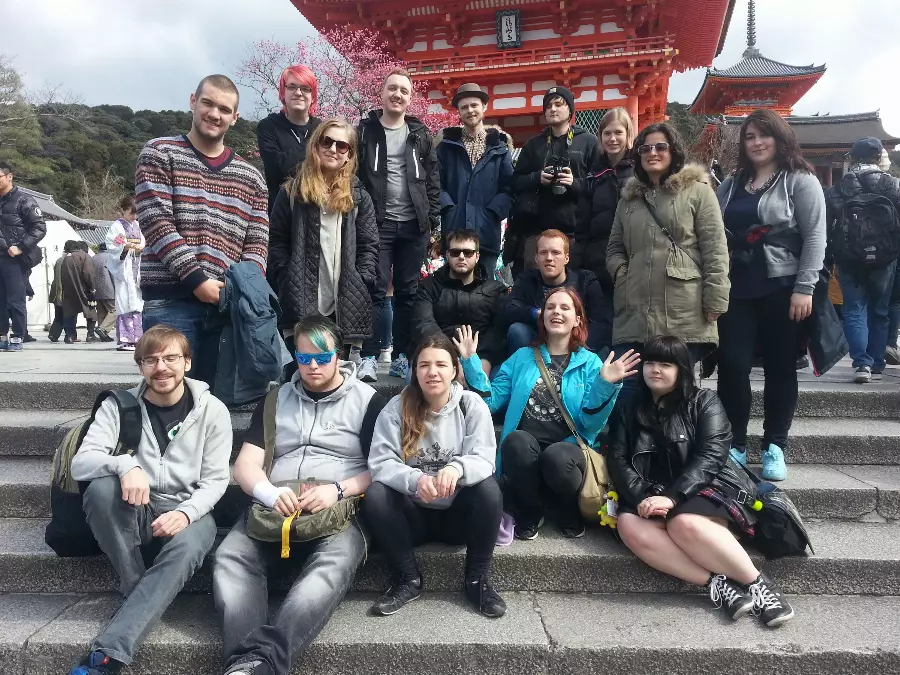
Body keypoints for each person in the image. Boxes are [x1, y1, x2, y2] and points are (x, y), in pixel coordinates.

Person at [213, 315, 385, 675]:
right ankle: (247, 664)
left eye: (322, 358)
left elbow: (384, 467)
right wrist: (268, 493)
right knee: (230, 556)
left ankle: (264, 662)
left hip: (338, 508)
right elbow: (245, 465)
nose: (312, 366)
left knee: (333, 564)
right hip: (276, 504)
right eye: (304, 358)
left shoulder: (368, 401)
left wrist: (338, 490)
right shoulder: (276, 399)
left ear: (339, 356)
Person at [67, 325, 232, 675]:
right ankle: (136, 585)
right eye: (151, 360)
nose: (161, 368)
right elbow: (81, 463)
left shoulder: (213, 410)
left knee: (190, 546)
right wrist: (125, 465)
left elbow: (216, 481)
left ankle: (107, 655)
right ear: (140, 365)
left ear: (187, 362)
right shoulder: (119, 406)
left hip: (189, 509)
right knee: (101, 488)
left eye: (171, 358)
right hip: (134, 507)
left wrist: (186, 513)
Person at [607, 335, 795, 628]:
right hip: (652, 491)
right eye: (650, 362)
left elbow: (711, 456)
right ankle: (717, 584)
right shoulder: (628, 408)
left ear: (681, 369)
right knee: (628, 524)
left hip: (704, 487)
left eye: (665, 364)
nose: (655, 369)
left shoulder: (704, 401)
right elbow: (617, 459)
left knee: (682, 522)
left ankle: (759, 585)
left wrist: (673, 496)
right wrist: (643, 495)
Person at [459, 286, 640, 540]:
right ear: (542, 316)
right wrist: (471, 362)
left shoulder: (590, 363)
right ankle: (531, 510)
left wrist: (605, 385)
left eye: (565, 308)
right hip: (528, 449)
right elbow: (490, 403)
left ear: (577, 319)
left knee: (557, 457)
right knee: (515, 442)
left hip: (569, 450)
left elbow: (591, 425)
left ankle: (567, 508)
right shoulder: (522, 357)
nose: (556, 312)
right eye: (550, 307)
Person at [136, 74, 269, 387]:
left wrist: (240, 291)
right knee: (167, 395)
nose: (214, 114)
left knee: (217, 402)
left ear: (235, 118)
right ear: (193, 102)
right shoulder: (159, 153)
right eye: (208, 103)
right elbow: (157, 223)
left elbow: (257, 243)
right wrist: (197, 280)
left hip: (226, 307)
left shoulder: (251, 177)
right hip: (170, 300)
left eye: (224, 109)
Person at [716, 110, 827, 481]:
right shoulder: (732, 183)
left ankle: (775, 444)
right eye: (749, 136)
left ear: (780, 139)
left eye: (764, 135)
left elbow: (815, 237)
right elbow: (713, 230)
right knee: (732, 365)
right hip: (736, 286)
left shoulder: (800, 180)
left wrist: (804, 288)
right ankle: (735, 442)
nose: (756, 143)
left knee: (780, 366)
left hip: (782, 285)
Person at [364, 332, 504, 617]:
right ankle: (407, 578)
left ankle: (477, 580)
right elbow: (380, 462)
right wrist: (415, 480)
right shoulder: (396, 408)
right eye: (424, 365)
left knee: (489, 490)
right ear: (415, 371)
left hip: (458, 517)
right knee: (376, 493)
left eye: (441, 364)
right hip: (413, 515)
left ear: (454, 370)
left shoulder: (471, 405)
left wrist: (457, 468)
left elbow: (485, 458)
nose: (432, 372)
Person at [607, 122, 729, 402]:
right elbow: (614, 247)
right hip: (635, 307)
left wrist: (716, 299)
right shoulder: (629, 200)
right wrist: (622, 275)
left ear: (674, 150)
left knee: (675, 393)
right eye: (645, 148)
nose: (652, 153)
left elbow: (715, 248)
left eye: (660, 147)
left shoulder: (698, 191)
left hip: (683, 308)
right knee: (629, 391)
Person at [268, 118, 378, 369]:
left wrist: (363, 278)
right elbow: (277, 241)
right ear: (315, 145)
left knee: (338, 374)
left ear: (349, 155)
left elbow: (369, 246)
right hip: (301, 297)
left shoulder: (359, 197)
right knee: (304, 372)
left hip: (345, 300)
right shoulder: (292, 192)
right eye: (326, 141)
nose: (333, 149)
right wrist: (285, 275)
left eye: (342, 145)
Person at [356, 68, 441, 382]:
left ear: (410, 98)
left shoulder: (419, 134)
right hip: (376, 223)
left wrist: (431, 219)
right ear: (381, 93)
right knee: (374, 289)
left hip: (413, 225)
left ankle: (403, 355)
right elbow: (355, 174)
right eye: (392, 88)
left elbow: (432, 179)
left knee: (408, 291)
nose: (397, 95)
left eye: (404, 90)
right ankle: (369, 355)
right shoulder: (365, 131)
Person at [826, 136, 900, 383]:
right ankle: (877, 363)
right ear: (879, 157)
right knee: (880, 311)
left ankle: (861, 364)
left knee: (853, 309)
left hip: (849, 258)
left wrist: (829, 257)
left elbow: (827, 225)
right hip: (885, 258)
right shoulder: (893, 185)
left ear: (854, 158)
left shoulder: (839, 188)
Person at [507, 86, 596, 277]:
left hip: (576, 232)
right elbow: (515, 182)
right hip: (538, 231)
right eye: (548, 106)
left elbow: (599, 184)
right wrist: (536, 178)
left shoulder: (588, 142)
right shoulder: (533, 145)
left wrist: (574, 182)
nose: (553, 109)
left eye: (558, 104)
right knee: (535, 286)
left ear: (570, 109)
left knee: (573, 288)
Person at [437, 83, 514, 277]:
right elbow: (436, 184)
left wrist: (493, 212)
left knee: (486, 289)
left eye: (474, 105)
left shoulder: (499, 148)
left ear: (484, 107)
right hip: (454, 232)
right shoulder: (446, 147)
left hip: (486, 232)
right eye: (464, 107)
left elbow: (509, 187)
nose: (470, 110)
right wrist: (449, 209)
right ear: (458, 112)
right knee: (453, 288)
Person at [411, 229, 507, 376]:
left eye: (468, 253)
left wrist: (485, 359)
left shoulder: (495, 290)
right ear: (447, 255)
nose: (461, 257)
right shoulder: (428, 286)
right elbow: (423, 324)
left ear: (477, 256)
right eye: (455, 252)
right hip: (438, 356)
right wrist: (449, 359)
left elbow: (498, 330)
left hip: (483, 358)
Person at [504, 228, 611, 355]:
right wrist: (535, 313)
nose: (549, 258)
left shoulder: (585, 280)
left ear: (566, 258)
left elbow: (600, 322)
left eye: (555, 252)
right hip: (538, 346)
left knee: (604, 351)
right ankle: (522, 367)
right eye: (543, 252)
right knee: (518, 331)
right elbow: (509, 310)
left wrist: (579, 351)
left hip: (576, 346)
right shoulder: (526, 280)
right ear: (536, 258)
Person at [573, 107, 635, 293]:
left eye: (618, 132)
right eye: (607, 133)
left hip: (631, 258)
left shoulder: (640, 172)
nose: (612, 138)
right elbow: (582, 224)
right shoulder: (593, 174)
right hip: (597, 260)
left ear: (628, 134)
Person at [256, 65, 322, 212]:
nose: (298, 93)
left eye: (305, 88)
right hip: (280, 213)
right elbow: (277, 170)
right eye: (292, 87)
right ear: (283, 92)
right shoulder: (268, 126)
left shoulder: (321, 128)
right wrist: (313, 146)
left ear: (313, 97)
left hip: (317, 211)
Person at [0, 160, 47, 352]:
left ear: (9, 176)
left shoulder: (24, 200)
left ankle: (18, 336)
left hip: (13, 258)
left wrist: (20, 247)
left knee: (15, 299)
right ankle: (2, 336)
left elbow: (39, 227)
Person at [106, 196, 145, 352]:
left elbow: (143, 242)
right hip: (125, 269)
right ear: (123, 210)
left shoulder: (137, 225)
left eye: (136, 214)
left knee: (138, 304)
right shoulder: (116, 227)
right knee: (124, 303)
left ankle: (139, 340)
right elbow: (113, 246)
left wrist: (140, 247)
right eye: (131, 213)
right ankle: (126, 340)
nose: (134, 217)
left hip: (136, 269)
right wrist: (126, 247)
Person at [61, 241, 98, 344]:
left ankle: (69, 336)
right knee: (91, 310)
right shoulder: (85, 257)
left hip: (69, 290)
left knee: (70, 312)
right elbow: (89, 274)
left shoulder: (66, 258)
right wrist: (92, 287)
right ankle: (90, 334)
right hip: (85, 290)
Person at [91, 243, 117, 342]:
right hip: (109, 288)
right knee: (114, 310)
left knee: (101, 312)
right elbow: (113, 274)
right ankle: (103, 329)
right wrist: (117, 289)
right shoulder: (110, 258)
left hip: (96, 290)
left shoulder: (93, 258)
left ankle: (103, 335)